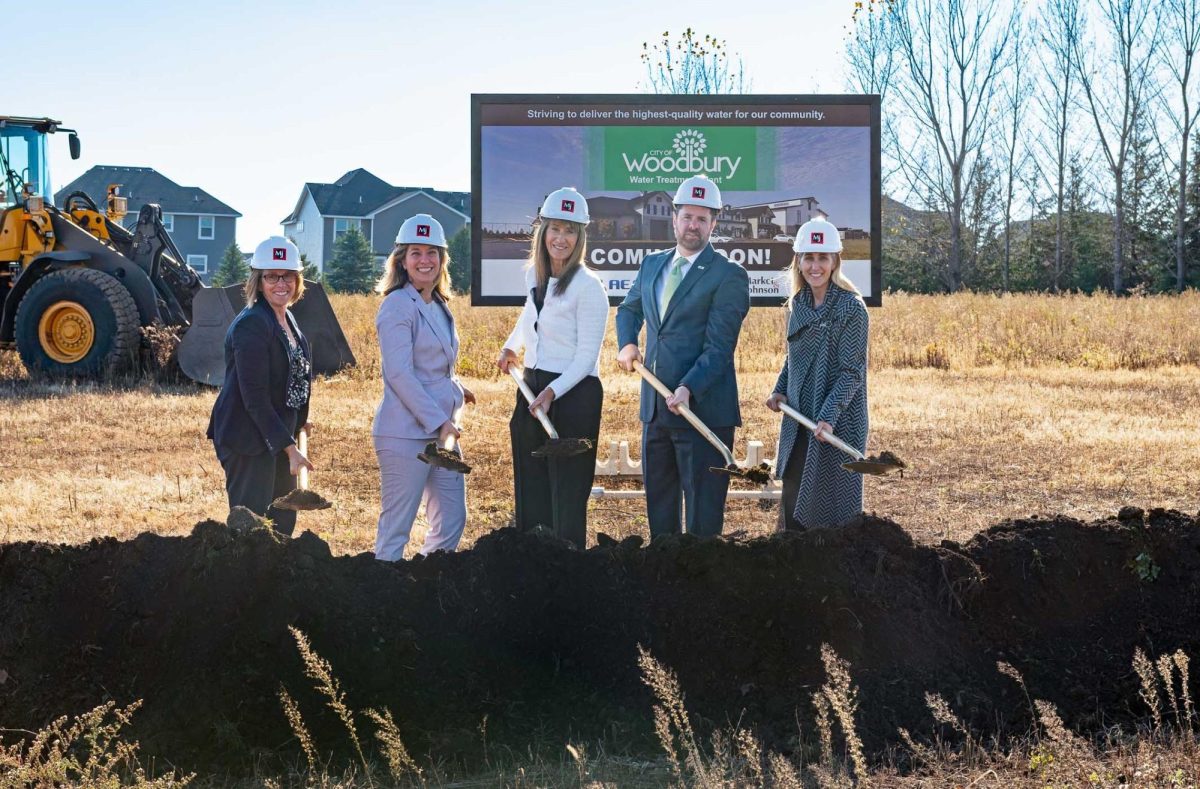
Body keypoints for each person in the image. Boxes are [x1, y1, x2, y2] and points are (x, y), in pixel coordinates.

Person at [615, 175, 751, 538]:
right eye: (687, 216)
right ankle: (665, 587)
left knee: (703, 525)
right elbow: (628, 310)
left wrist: (689, 387)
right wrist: (627, 342)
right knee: (661, 515)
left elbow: (719, 348)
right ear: (674, 218)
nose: (693, 225)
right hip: (656, 412)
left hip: (701, 412)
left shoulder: (729, 276)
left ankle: (701, 591)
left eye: (702, 219)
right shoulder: (652, 265)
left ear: (714, 224)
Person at [497, 188, 609, 548]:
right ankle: (533, 563)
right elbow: (531, 314)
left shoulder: (590, 288)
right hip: (533, 386)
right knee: (530, 481)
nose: (561, 239)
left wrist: (552, 392)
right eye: (555, 228)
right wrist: (511, 346)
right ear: (543, 231)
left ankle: (568, 567)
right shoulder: (535, 274)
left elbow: (587, 358)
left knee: (567, 490)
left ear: (581, 237)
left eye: (571, 230)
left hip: (573, 394)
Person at [373, 213, 474, 561]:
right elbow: (400, 374)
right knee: (397, 525)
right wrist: (440, 421)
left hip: (442, 433)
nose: (424, 260)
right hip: (406, 434)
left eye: (432, 252)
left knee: (451, 520)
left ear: (442, 259)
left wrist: (456, 388)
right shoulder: (397, 306)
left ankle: (424, 586)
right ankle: (385, 596)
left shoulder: (440, 305)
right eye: (415, 252)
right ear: (402, 260)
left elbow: (435, 365)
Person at [765, 217, 869, 530]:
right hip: (799, 417)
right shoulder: (798, 304)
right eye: (808, 257)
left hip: (838, 420)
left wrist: (828, 416)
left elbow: (852, 373)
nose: (815, 266)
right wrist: (779, 389)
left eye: (823, 258)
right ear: (798, 261)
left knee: (833, 508)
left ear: (835, 261)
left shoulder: (852, 308)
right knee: (795, 497)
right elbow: (792, 357)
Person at [207, 236, 313, 536]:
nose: (281, 284)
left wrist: (299, 421)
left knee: (282, 521)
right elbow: (254, 396)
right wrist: (289, 447)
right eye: (271, 277)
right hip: (247, 440)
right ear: (258, 280)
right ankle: (243, 583)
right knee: (252, 527)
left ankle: (275, 583)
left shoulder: (287, 318)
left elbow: (293, 376)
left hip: (277, 435)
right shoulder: (252, 324)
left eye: (288, 276)